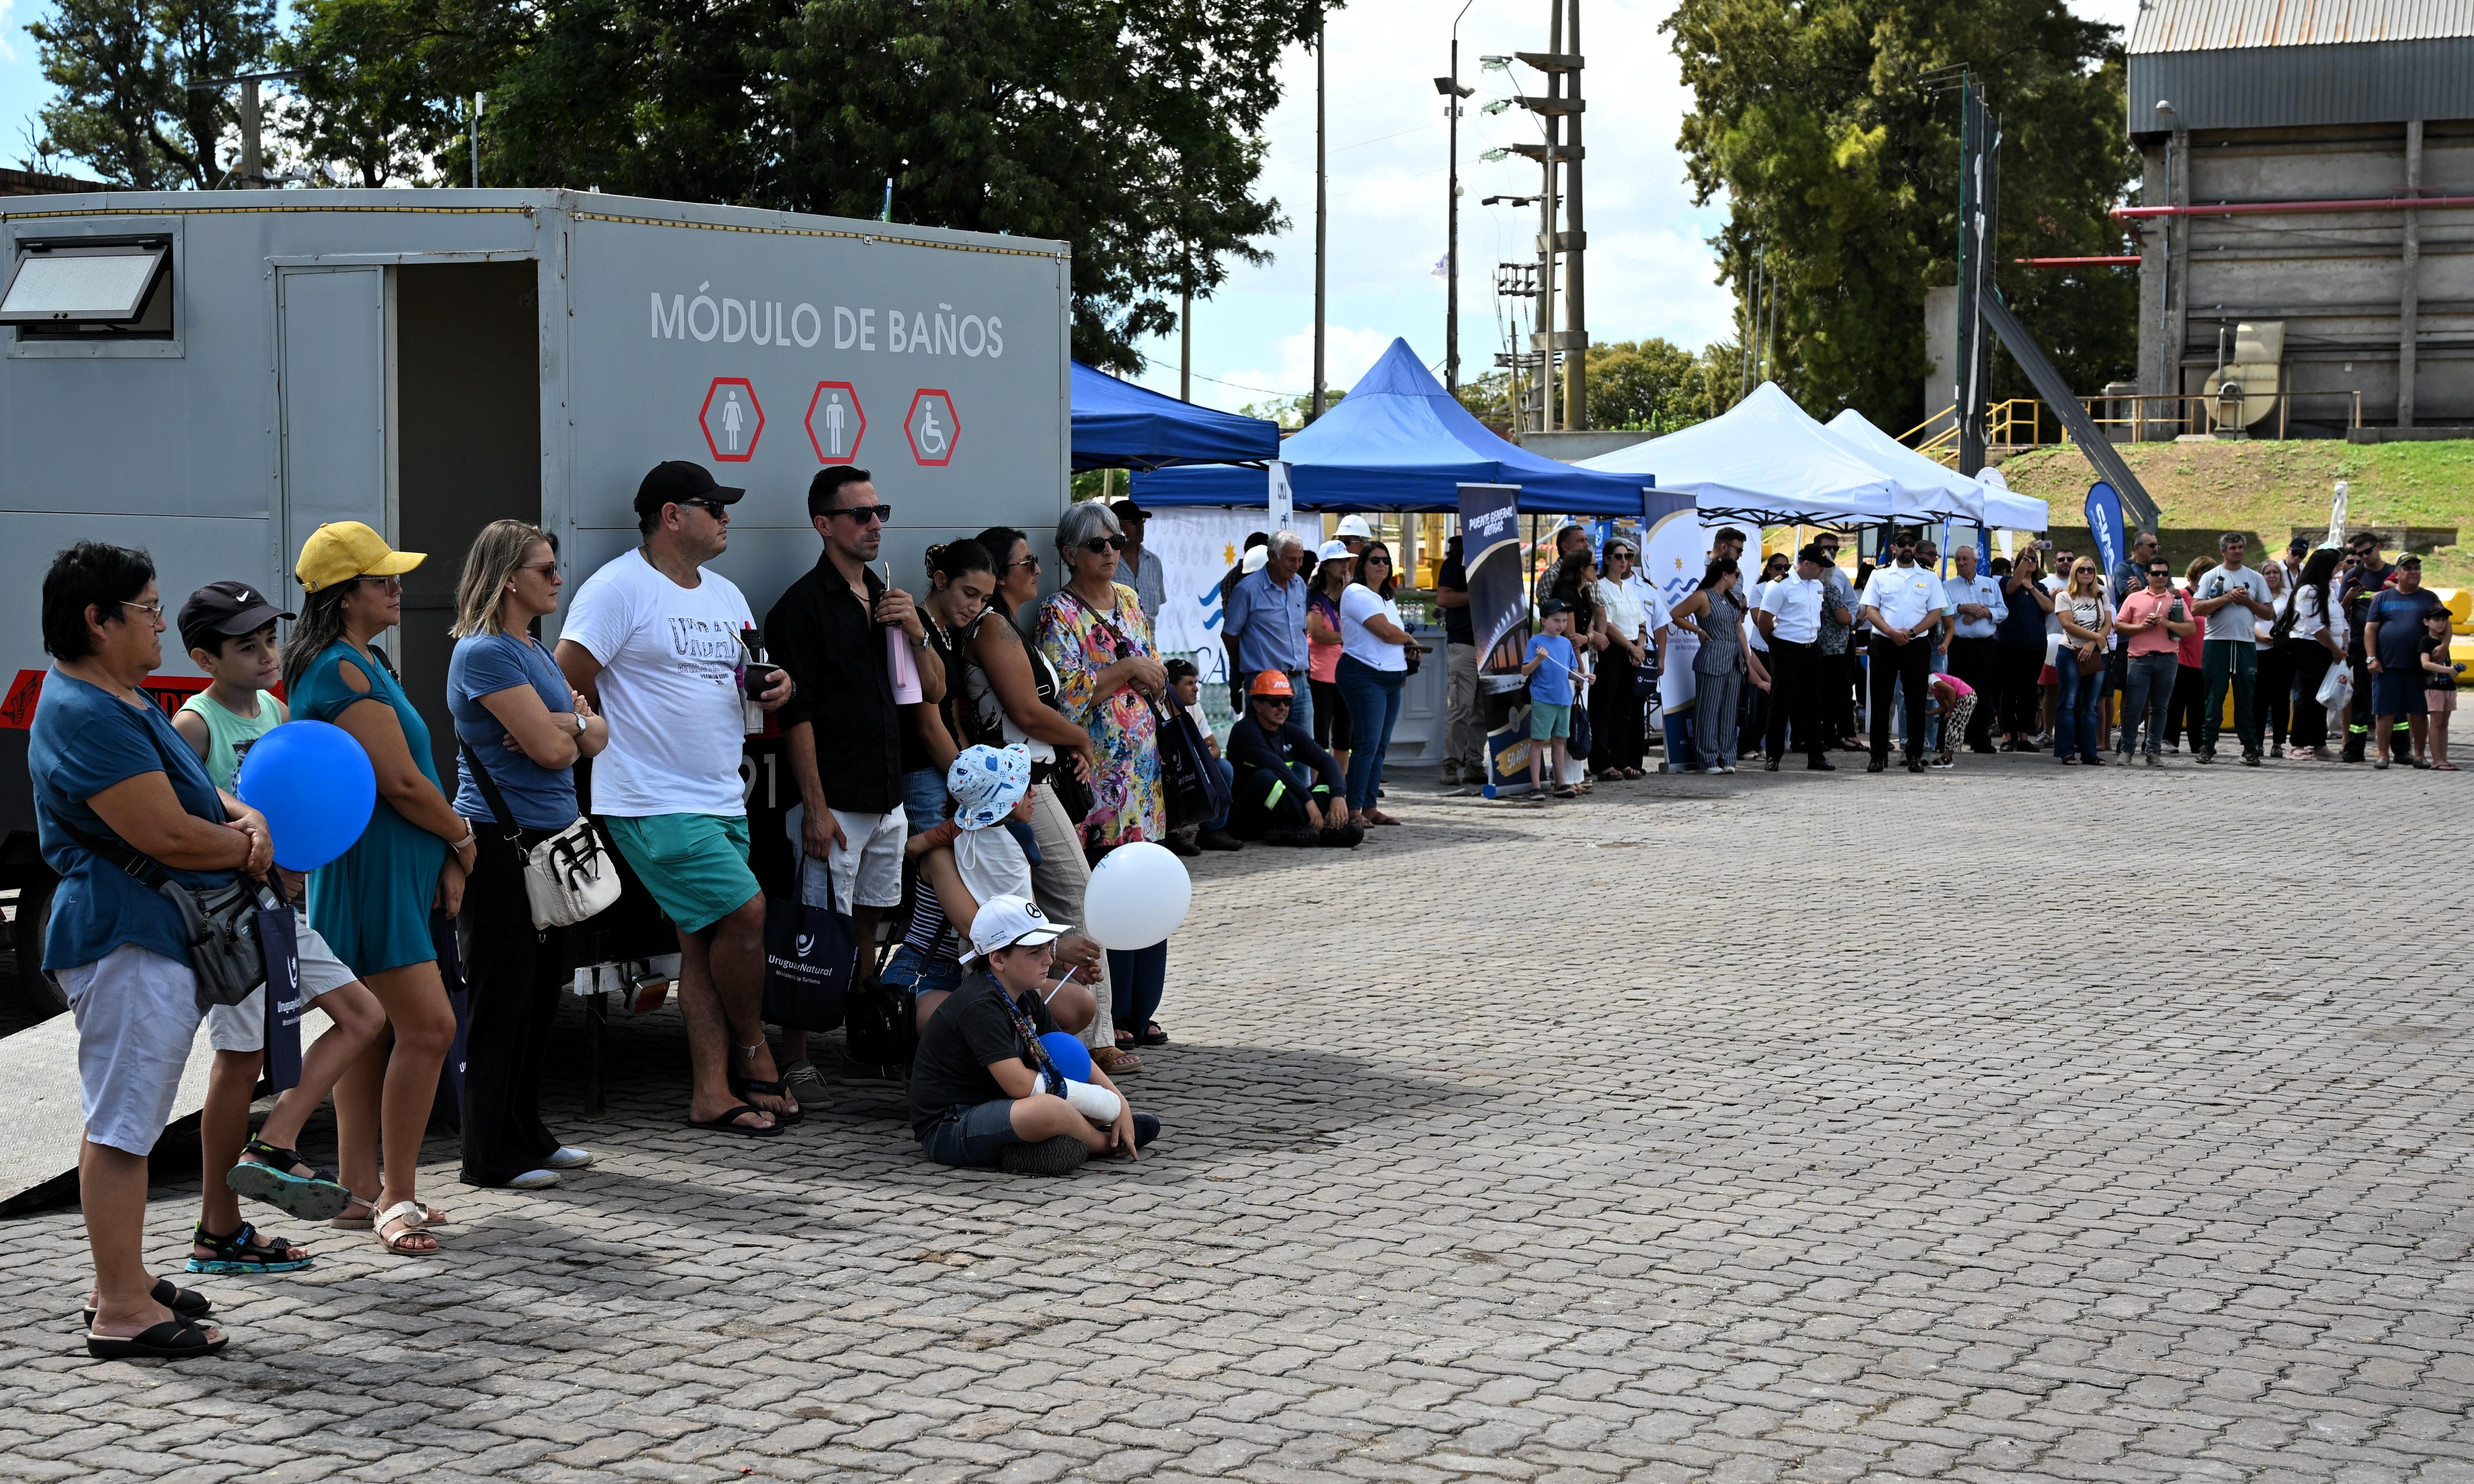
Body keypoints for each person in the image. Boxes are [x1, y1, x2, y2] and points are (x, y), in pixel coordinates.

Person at [33, 544, 277, 1357]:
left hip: (150, 933)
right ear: (97, 622)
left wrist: (239, 815)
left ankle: (123, 1281)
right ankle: (123, 1312)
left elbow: (197, 795)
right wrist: (245, 845)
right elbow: (166, 833)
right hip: (125, 936)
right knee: (124, 1129)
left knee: (123, 1121)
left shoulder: (121, 699)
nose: (158, 625)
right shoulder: (86, 712)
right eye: (144, 609)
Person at [557, 461, 795, 1138]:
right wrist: (617, 733)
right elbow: (566, 678)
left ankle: (710, 1094)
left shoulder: (725, 594)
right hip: (649, 797)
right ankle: (755, 1049)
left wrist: (776, 685)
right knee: (747, 912)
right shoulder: (618, 588)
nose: (725, 516)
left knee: (703, 947)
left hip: (722, 791)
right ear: (671, 515)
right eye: (712, 505)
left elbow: (750, 669)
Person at [166, 583, 384, 1274]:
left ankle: (276, 1137)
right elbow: (175, 817)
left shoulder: (276, 710)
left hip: (281, 912)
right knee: (238, 1063)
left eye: (269, 639)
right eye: (246, 645)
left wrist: (293, 865)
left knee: (362, 1015)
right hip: (230, 924)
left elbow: (299, 801)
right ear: (204, 655)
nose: (266, 654)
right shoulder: (194, 726)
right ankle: (218, 1228)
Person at [283, 522, 469, 1255]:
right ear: (341, 596)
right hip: (371, 871)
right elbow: (398, 780)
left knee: (370, 1031)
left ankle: (362, 1188)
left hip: (379, 866)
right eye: (381, 580)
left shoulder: (358, 660)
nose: (397, 589)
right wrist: (463, 837)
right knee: (429, 1027)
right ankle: (398, 1194)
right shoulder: (340, 669)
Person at [446, 520, 606, 1190]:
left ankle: (527, 1132)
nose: (557, 579)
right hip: (503, 844)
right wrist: (566, 728)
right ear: (508, 576)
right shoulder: (483, 653)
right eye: (545, 569)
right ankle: (488, 1152)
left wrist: (567, 724)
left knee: (542, 997)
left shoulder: (533, 648)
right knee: (500, 999)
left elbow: (595, 735)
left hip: (552, 841)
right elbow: (549, 751)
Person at [768, 464, 936, 1096]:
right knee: (813, 924)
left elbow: (932, 691)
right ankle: (796, 1052)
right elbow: (797, 711)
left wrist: (917, 631)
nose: (874, 525)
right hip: (835, 799)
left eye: (879, 511)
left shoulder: (891, 598)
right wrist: (815, 806)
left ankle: (865, 1033)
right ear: (823, 524)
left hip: (886, 791)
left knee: (867, 919)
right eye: (860, 514)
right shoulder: (801, 607)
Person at [965, 525, 1127, 1076]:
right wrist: (1078, 739)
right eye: (1027, 561)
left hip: (1036, 778)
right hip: (1017, 784)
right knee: (1079, 895)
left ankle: (1055, 1022)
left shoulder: (1013, 627)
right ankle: (1096, 1033)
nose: (1037, 569)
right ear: (999, 573)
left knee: (1056, 901)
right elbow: (1026, 712)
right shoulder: (993, 627)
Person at [1036, 501, 1173, 1053]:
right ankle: (1112, 1014)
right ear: (1070, 553)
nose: (1112, 552)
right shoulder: (1057, 612)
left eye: (1116, 542)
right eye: (1098, 544)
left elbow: (1156, 667)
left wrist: (1150, 674)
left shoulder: (1132, 600)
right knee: (1105, 894)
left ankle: (1144, 1010)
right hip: (1096, 777)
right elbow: (1062, 695)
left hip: (1143, 772)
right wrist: (1126, 671)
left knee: (1149, 886)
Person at [907, 896, 1155, 1176]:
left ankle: (1045, 1143)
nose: (1049, 959)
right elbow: (1018, 1084)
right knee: (1049, 1110)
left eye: (1048, 949)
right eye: (1035, 952)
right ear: (998, 958)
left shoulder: (1025, 995)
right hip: (951, 1125)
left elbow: (1071, 1053)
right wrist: (1102, 1104)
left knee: (1059, 1101)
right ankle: (1105, 1144)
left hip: (998, 1106)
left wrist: (1117, 1100)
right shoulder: (979, 1004)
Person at [1336, 540, 1421, 824]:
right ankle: (1352, 810)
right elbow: (1385, 632)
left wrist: (1402, 664)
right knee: (1366, 744)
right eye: (1375, 560)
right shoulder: (1355, 593)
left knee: (1380, 745)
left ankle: (1369, 806)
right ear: (1362, 565)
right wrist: (1409, 639)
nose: (1382, 564)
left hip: (1389, 678)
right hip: (1363, 675)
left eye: (1386, 560)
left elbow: (1392, 636)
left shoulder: (1386, 597)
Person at [1224, 670, 1358, 845]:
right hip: (1247, 819)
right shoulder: (1245, 731)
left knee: (1330, 779)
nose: (1283, 708)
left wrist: (1338, 795)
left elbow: (1327, 761)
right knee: (1266, 777)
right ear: (1257, 705)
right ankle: (1318, 831)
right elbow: (1276, 767)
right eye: (1275, 702)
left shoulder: (1290, 731)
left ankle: (1301, 829)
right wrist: (1308, 801)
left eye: (1287, 701)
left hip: (1283, 813)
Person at [1859, 529, 1944, 774]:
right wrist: (1891, 632)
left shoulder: (1929, 578)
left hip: (1916, 644)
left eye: (1911, 544)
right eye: (1902, 544)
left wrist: (1914, 633)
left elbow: (1936, 612)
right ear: (1894, 548)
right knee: (1881, 700)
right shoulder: (1880, 575)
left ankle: (1915, 755)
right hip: (1885, 643)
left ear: (1915, 549)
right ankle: (1877, 756)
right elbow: (1871, 610)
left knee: (1916, 701)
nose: (1907, 548)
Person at [2191, 532, 2275, 765]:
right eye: (2232, 548)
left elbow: (2269, 613)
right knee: (2214, 695)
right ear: (2223, 551)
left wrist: (2248, 601)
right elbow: (2197, 608)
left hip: (2245, 643)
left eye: (2240, 547)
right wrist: (2227, 598)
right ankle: (2208, 744)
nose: (2237, 551)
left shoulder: (2255, 578)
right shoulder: (2211, 576)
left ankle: (2250, 746)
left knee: (2246, 696)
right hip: (2217, 642)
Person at [1221, 528, 1314, 733]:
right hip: (1265, 684)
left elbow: (1300, 631)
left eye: (1300, 559)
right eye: (1292, 560)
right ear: (1273, 556)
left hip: (1299, 682)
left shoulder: (1299, 585)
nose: (1298, 566)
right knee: (1266, 754)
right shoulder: (1247, 589)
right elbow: (1229, 635)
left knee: (1305, 754)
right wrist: (1248, 664)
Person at [1753, 544, 1835, 772]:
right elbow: (1764, 620)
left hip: (1812, 648)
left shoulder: (1817, 585)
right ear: (1806, 564)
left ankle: (1816, 756)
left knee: (1813, 704)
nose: (1822, 571)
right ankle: (1774, 756)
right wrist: (1775, 645)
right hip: (1787, 648)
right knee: (1781, 704)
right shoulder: (1780, 586)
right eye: (1820, 567)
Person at [2365, 552, 2445, 769]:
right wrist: (2371, 658)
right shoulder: (2383, 599)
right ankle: (2383, 755)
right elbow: (2370, 630)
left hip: (2420, 668)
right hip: (2387, 666)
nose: (2414, 572)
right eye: (2408, 569)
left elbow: (2446, 624)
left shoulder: (2429, 598)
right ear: (2398, 574)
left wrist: (2444, 646)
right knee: (2385, 712)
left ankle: (2419, 755)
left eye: (2417, 569)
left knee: (2419, 712)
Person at [2112, 557, 2195, 765]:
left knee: (2160, 708)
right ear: (2147, 575)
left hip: (2168, 659)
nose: (2161, 577)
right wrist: (2141, 627)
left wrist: (2166, 622)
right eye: (2156, 573)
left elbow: (2191, 629)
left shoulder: (2176, 600)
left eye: (2165, 574)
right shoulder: (2134, 599)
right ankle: (2127, 750)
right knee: (2134, 706)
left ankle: (2153, 751)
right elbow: (2119, 626)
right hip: (2140, 658)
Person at [1670, 557, 1749, 774]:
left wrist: (1746, 657)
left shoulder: (1730, 599)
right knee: (1709, 710)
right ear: (1725, 574)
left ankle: (1727, 756)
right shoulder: (1703, 596)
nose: (1737, 579)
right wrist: (1699, 631)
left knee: (1729, 711)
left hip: (1733, 659)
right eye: (1736, 574)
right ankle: (1707, 759)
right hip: (1713, 657)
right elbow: (1676, 615)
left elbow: (1739, 629)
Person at [1593, 539, 1651, 779]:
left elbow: (1641, 620)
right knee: (1604, 709)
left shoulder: (1630, 587)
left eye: (1627, 557)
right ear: (1607, 560)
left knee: (1625, 710)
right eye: (1619, 557)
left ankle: (1622, 760)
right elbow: (1607, 625)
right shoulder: (1599, 587)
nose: (1624, 561)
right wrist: (1630, 647)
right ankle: (1602, 763)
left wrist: (1639, 647)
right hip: (1612, 650)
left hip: (1631, 650)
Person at [2050, 558, 2113, 766]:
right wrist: (2095, 638)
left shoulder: (2102, 596)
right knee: (2068, 702)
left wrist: (2094, 644)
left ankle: (2090, 753)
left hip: (2097, 653)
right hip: (2070, 652)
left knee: (2091, 705)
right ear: (2075, 573)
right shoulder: (2065, 597)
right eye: (2082, 570)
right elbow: (2067, 624)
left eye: (2091, 570)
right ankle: (2067, 751)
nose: (2086, 573)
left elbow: (2108, 623)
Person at [2283, 547, 2343, 759]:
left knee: (2323, 697)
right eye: (2337, 564)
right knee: (2307, 696)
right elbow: (2315, 627)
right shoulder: (2307, 591)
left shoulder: (2328, 589)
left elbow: (2339, 620)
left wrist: (2343, 645)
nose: (2340, 567)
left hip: (2328, 649)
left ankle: (2319, 744)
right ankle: (2297, 743)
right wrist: (2335, 649)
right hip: (2310, 647)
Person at [1941, 545, 2002, 754]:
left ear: (1976, 562)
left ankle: (1980, 739)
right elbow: (1942, 611)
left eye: (1966, 559)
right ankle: (1949, 740)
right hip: (1958, 645)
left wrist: (1984, 612)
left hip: (1985, 646)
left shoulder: (1990, 584)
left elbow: (2003, 611)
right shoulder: (1947, 586)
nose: (1961, 563)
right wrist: (1963, 608)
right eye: (1958, 559)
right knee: (1954, 693)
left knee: (1982, 693)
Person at [1306, 540, 1356, 787]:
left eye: (1347, 560)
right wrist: (1350, 637)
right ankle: (1318, 788)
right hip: (1320, 676)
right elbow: (1318, 634)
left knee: (1344, 737)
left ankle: (1339, 786)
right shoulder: (1314, 596)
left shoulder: (1351, 594)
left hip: (1347, 675)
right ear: (1325, 566)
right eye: (1339, 561)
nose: (1345, 566)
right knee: (1320, 736)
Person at [1523, 600, 1584, 798]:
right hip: (1544, 699)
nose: (1561, 625)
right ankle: (1536, 786)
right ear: (1544, 621)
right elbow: (1525, 671)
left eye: (1565, 621)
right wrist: (1539, 659)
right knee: (1538, 741)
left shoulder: (1566, 643)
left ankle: (1561, 784)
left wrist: (1584, 677)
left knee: (1560, 741)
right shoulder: (1536, 642)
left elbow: (1570, 672)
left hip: (1564, 699)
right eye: (1556, 620)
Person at [1995, 548, 2053, 750]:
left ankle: (2024, 738)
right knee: (2009, 691)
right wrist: (2025, 565)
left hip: (2036, 646)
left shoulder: (2041, 587)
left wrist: (2032, 588)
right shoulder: (2005, 583)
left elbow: (2049, 608)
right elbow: (2012, 587)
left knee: (2029, 692)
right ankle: (2007, 737)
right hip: (2009, 645)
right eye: (2026, 559)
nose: (2030, 563)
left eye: (2034, 560)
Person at [1436, 532, 1483, 785]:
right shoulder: (1455, 565)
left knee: (1481, 710)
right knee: (1462, 707)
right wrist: (1475, 595)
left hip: (1488, 643)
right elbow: (1443, 598)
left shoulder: (1489, 564)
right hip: (1464, 643)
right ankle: (1451, 764)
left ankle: (1475, 763)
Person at [1813, 532, 1860, 749]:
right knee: (1834, 692)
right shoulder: (1826, 586)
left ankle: (1829, 734)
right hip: (1823, 645)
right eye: (1827, 549)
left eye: (1835, 548)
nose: (1832, 552)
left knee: (1835, 691)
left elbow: (1852, 603)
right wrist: (1851, 619)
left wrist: (1852, 619)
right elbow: (1845, 615)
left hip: (1838, 644)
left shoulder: (1839, 575)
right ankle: (1841, 735)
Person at [2165, 557, 2213, 754]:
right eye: (2205, 572)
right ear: (2197, 573)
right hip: (2182, 656)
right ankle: (2168, 739)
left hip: (2203, 658)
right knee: (2176, 701)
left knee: (2199, 704)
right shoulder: (2181, 595)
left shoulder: (2210, 600)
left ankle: (2198, 742)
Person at [2256, 559, 2293, 758]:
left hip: (2283, 652)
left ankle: (2279, 742)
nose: (2272, 576)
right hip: (2260, 649)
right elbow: (2248, 620)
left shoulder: (2289, 596)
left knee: (2281, 699)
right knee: (2259, 698)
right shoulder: (2255, 594)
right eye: (2267, 573)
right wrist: (2260, 637)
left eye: (2275, 572)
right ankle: (2258, 741)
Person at [1110, 499, 1165, 623]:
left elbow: (1152, 618)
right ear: (1115, 525)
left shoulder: (1154, 562)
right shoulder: (1104, 561)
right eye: (1134, 522)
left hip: (1149, 641)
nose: (1141, 526)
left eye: (1142, 521)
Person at [2422, 605, 2461, 770]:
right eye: (2437, 620)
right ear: (2426, 622)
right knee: (2436, 723)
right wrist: (2448, 670)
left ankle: (2444, 759)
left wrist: (2456, 670)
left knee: (2445, 724)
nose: (2441, 623)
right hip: (2434, 687)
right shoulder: (2426, 641)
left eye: (2444, 620)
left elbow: (2446, 664)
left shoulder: (2443, 642)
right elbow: (2425, 664)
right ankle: (2437, 760)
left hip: (2448, 687)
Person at [1925, 673, 1976, 770]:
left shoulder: (1932, 680)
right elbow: (1945, 706)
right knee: (1951, 728)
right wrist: (1928, 714)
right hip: (1963, 698)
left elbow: (1952, 691)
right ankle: (1947, 756)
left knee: (1954, 728)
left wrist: (1950, 712)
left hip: (1966, 697)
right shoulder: (1933, 688)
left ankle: (1947, 757)